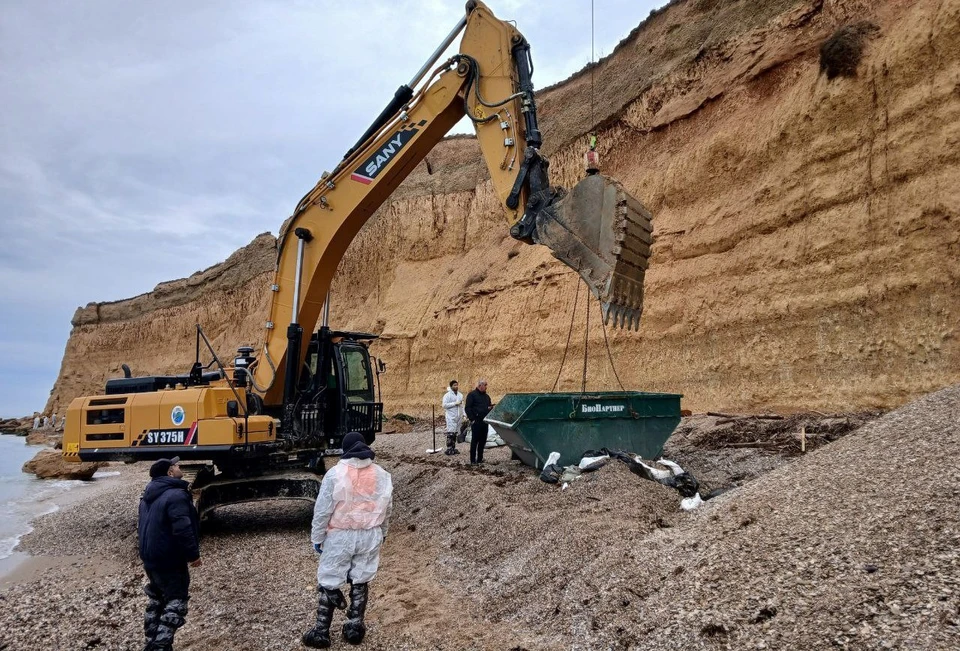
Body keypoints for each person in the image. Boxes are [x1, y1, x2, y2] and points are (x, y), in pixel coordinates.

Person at [304, 432, 392, 648]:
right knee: (361, 579)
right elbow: (387, 509)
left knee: (329, 578)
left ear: (345, 449)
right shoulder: (382, 474)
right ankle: (354, 627)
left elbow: (323, 510)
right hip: (370, 534)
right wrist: (383, 532)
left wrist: (317, 537)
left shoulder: (335, 474)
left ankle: (321, 632)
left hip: (340, 535)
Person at [138, 456, 201, 651]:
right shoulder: (176, 495)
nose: (179, 466)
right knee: (176, 602)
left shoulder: (147, 496)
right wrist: (193, 555)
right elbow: (182, 528)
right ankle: (161, 646)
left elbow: (143, 528)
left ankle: (151, 643)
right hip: (169, 558)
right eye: (176, 465)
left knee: (156, 600)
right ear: (169, 472)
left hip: (150, 558)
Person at [465, 380, 493, 465]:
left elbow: (488, 406)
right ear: (480, 385)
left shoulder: (487, 396)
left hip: (484, 422)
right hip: (476, 422)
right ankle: (473, 460)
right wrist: (472, 419)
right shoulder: (472, 395)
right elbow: (468, 408)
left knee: (483, 441)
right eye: (485, 385)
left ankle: (480, 458)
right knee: (475, 441)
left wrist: (490, 408)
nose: (486, 387)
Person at [441, 380, 465, 456]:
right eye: (454, 385)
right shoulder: (447, 395)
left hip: (458, 416)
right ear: (451, 386)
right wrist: (454, 403)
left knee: (455, 432)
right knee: (450, 432)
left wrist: (464, 415)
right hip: (451, 416)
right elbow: (444, 405)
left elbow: (462, 406)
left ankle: (453, 448)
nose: (456, 386)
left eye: (457, 385)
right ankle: (449, 448)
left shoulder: (460, 395)